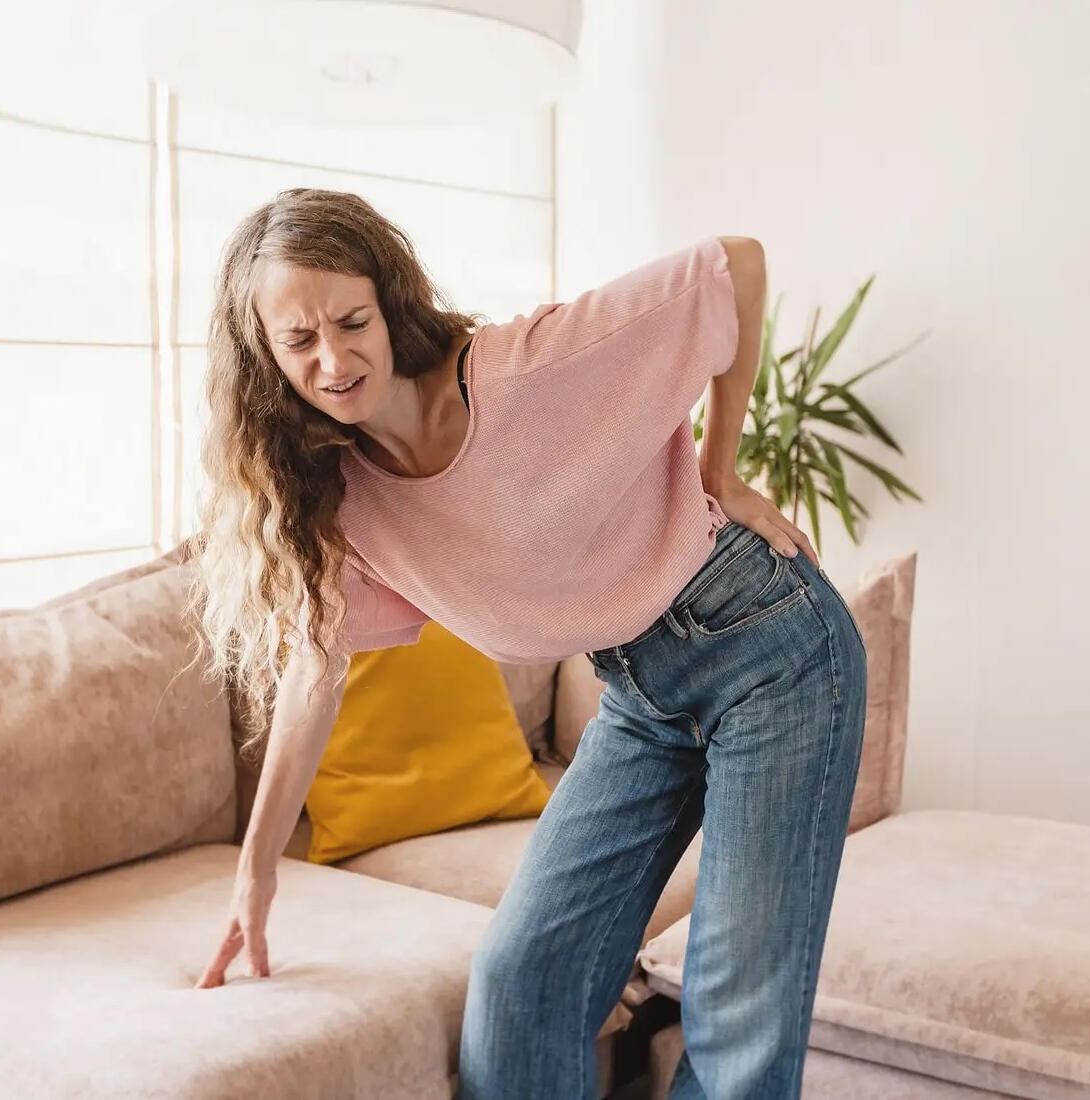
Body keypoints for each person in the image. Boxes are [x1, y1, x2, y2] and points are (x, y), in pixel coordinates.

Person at [186, 186, 867, 1100]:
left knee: (738, 1010)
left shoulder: (522, 370)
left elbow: (734, 264)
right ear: (264, 356)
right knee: (521, 982)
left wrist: (720, 472)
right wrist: (255, 870)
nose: (333, 360)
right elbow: (316, 671)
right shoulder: (339, 500)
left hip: (771, 652)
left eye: (351, 323)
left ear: (389, 306)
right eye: (298, 340)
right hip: (642, 695)